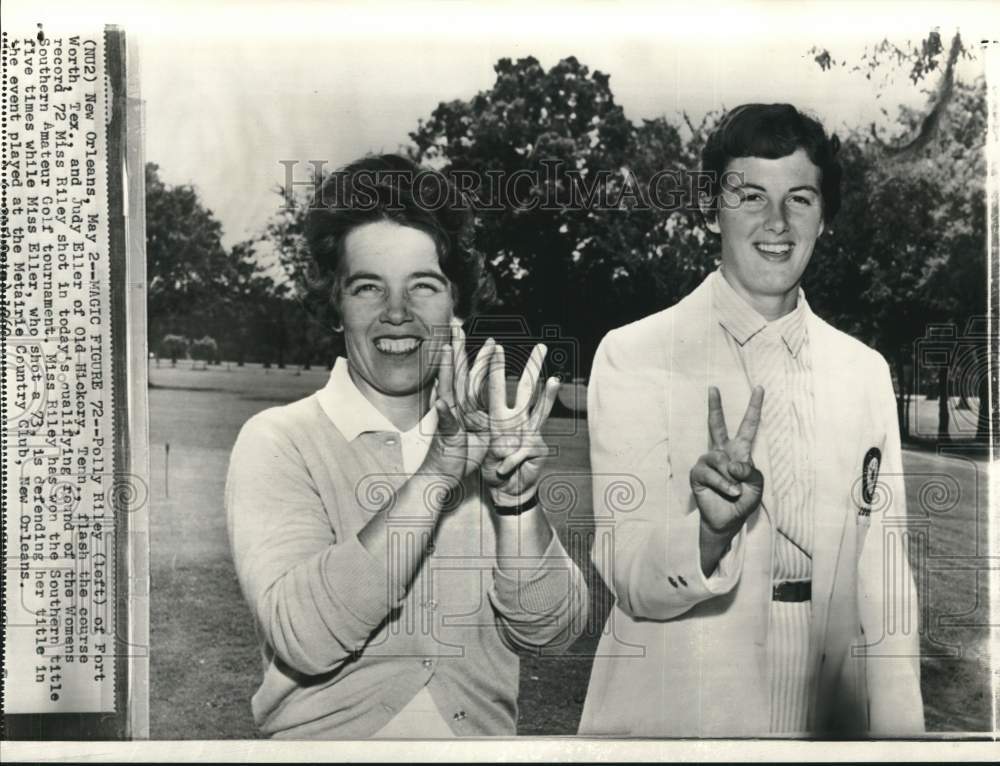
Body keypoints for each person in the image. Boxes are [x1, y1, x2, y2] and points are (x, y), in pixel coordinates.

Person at [578, 104, 924, 737]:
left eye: (799, 198)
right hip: (680, 711)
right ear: (713, 209)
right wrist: (708, 533)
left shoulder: (864, 370)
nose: (776, 222)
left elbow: (886, 582)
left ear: (825, 218)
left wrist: (903, 742)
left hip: (828, 716)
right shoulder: (634, 354)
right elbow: (631, 577)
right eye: (750, 196)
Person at [225, 154, 587, 739]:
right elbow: (304, 637)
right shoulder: (279, 440)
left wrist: (517, 504)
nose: (397, 313)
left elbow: (551, 631)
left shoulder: (492, 442)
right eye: (369, 287)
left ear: (457, 305)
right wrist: (439, 470)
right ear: (336, 306)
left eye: (424, 285)